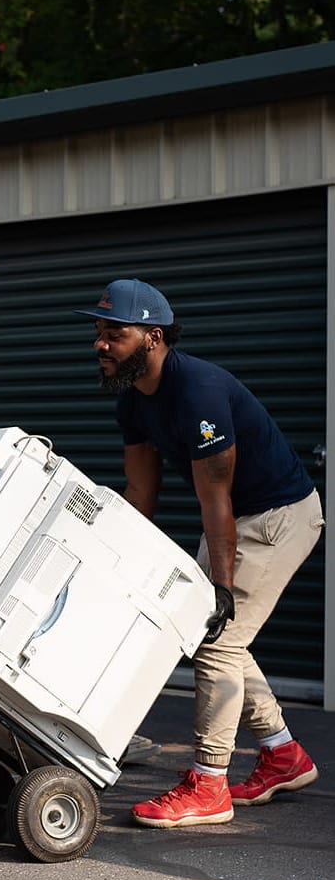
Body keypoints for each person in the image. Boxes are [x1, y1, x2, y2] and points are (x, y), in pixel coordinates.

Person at [75, 278, 323, 828]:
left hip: (279, 516)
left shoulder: (200, 394)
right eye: (97, 332)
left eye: (114, 333)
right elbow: (141, 496)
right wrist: (110, 563)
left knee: (216, 643)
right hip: (238, 516)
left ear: (153, 336)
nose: (100, 344)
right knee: (211, 633)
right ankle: (283, 753)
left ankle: (210, 783)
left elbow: (216, 498)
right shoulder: (133, 403)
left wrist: (224, 585)